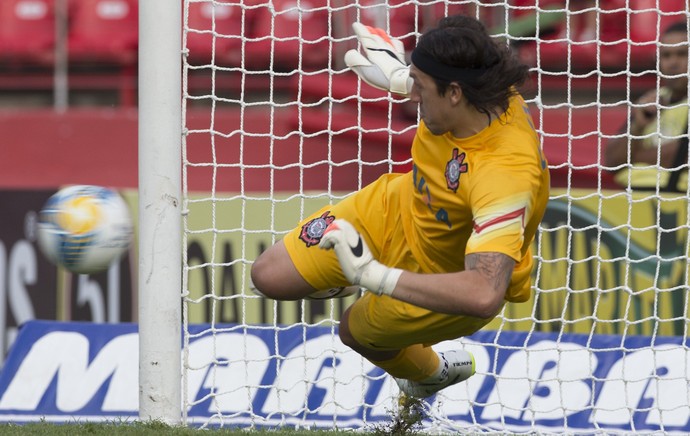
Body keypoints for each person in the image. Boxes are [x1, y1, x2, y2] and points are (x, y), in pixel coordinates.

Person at [251, 14, 550, 398]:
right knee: (269, 275)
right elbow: (445, 76)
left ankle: (431, 373)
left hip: (445, 277)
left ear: (455, 93)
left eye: (420, 87)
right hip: (401, 206)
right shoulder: (479, 91)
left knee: (353, 332)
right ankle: (344, 273)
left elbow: (482, 293)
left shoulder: (506, 173)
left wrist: (375, 277)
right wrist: (398, 74)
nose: (413, 95)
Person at [605, 21, 689, 192]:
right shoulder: (652, 101)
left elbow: (681, 155)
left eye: (682, 54)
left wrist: (634, 157)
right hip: (638, 197)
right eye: (666, 56)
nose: (673, 63)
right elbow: (612, 162)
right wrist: (638, 126)